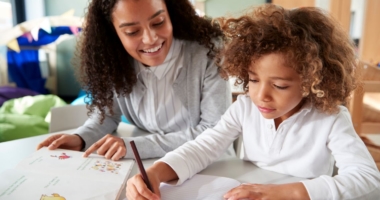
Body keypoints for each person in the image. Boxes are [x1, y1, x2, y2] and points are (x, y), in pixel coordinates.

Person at [126, 4, 380, 200]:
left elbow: (367, 177)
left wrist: (283, 193)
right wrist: (158, 172)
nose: (261, 96)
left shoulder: (331, 118)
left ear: (312, 81)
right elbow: (204, 146)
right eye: (253, 80)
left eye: (279, 85)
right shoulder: (245, 108)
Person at [37, 0, 232, 160]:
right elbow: (106, 116)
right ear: (114, 34)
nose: (150, 39)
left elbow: (213, 131)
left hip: (207, 163)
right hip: (145, 164)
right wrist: (80, 137)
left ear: (171, 14)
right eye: (132, 32)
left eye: (159, 22)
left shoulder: (208, 52)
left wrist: (134, 147)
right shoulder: (115, 60)